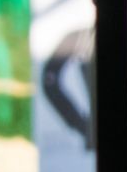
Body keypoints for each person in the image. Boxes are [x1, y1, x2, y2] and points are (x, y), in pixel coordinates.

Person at [41, 22, 97, 151]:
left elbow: (50, 83)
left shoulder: (81, 37)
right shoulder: (81, 37)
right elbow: (50, 82)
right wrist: (82, 125)